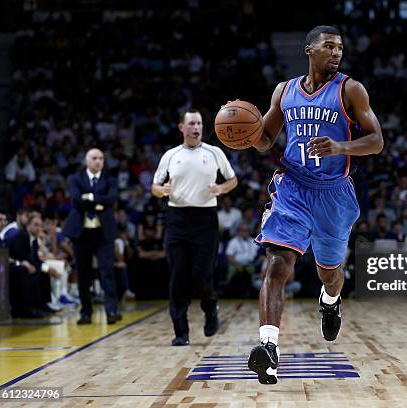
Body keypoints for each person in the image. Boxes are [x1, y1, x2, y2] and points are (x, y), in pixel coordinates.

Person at [246, 25, 383, 384]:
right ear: (310, 50)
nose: (336, 53)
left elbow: (376, 140)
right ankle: (268, 347)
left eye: (340, 47)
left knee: (330, 272)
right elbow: (264, 141)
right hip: (291, 186)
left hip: (334, 193)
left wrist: (341, 147)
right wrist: (246, 134)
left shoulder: (350, 89)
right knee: (278, 263)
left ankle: (330, 299)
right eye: (329, 46)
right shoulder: (285, 91)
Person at [152, 109, 238, 346]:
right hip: (177, 218)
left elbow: (233, 180)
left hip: (205, 219)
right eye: (191, 123)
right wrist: (162, 191)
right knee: (178, 276)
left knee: (202, 274)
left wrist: (221, 189)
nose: (196, 127)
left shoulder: (214, 152)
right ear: (182, 127)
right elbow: (155, 187)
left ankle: (210, 308)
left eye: (199, 123)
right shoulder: (171, 155)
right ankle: (181, 332)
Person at [62, 148, 121, 324]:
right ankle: (85, 312)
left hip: (103, 232)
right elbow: (75, 201)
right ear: (87, 161)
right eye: (94, 158)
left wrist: (89, 197)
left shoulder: (110, 179)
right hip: (81, 233)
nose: (98, 161)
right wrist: (99, 201)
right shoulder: (75, 178)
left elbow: (111, 199)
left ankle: (111, 311)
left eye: (101, 158)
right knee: (83, 273)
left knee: (107, 271)